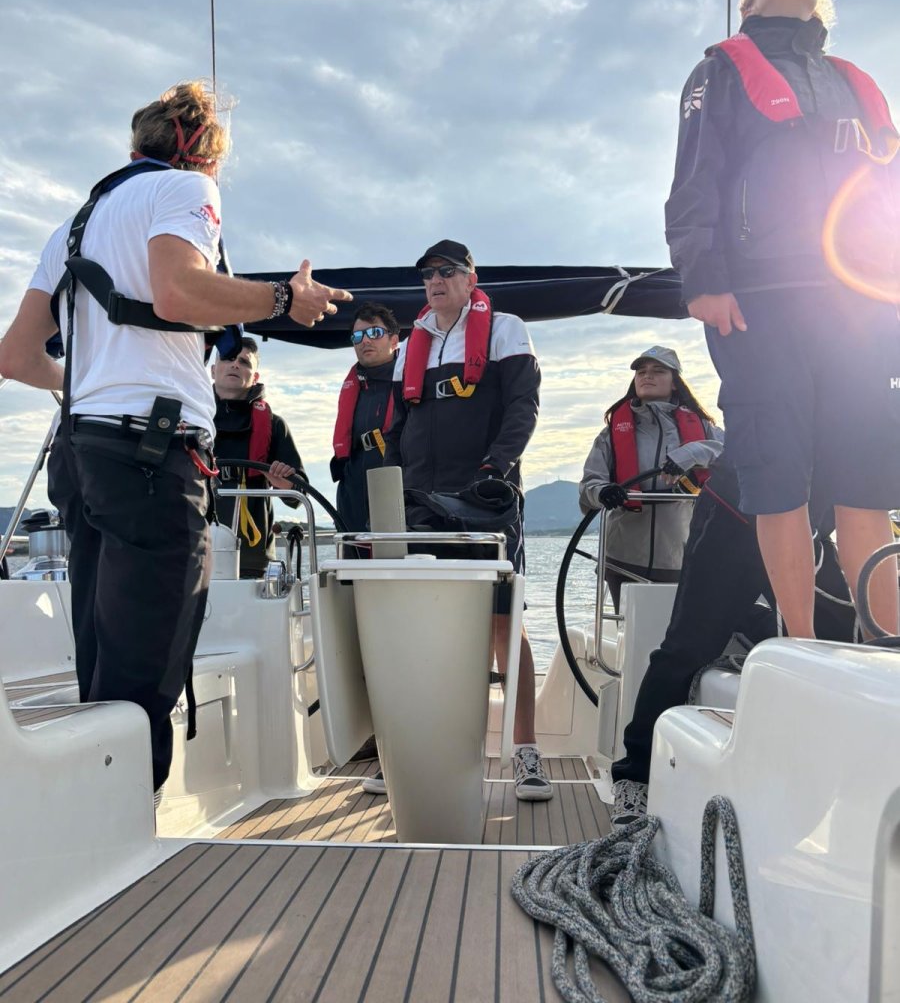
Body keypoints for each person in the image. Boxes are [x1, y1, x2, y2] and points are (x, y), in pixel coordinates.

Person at [0, 80, 351, 802]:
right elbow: (178, 292)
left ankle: (92, 826)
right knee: (146, 668)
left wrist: (89, 385)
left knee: (103, 658)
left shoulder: (73, 226)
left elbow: (17, 357)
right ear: (205, 156)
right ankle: (121, 827)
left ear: (139, 144)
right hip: (153, 458)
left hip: (83, 454)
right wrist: (285, 298)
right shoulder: (188, 191)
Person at [665, 0, 900, 640]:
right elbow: (694, 179)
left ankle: (886, 648)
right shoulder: (718, 73)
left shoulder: (853, 83)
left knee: (867, 484)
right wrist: (703, 280)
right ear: (748, 2)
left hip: (860, 310)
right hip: (760, 305)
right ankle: (802, 643)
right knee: (778, 480)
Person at [378, 238, 552, 801]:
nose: (435, 281)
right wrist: (393, 484)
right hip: (419, 502)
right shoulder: (411, 345)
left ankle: (525, 751)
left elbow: (523, 406)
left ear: (471, 279)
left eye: (447, 271)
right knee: (422, 625)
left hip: (485, 498)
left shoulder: (506, 329)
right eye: (427, 274)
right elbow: (399, 426)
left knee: (503, 621)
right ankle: (418, 748)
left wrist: (495, 468)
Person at [609, 457, 857, 822]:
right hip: (731, 518)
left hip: (808, 532)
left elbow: (863, 514)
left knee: (848, 646)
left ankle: (847, 785)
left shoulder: (876, 429)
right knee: (687, 648)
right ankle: (635, 776)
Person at [578, 346, 723, 609]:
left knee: (676, 629)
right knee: (629, 628)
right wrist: (603, 492)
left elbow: (736, 453)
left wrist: (691, 452)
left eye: (658, 371)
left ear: (675, 382)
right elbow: (589, 484)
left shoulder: (703, 428)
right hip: (622, 557)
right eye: (641, 371)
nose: (647, 375)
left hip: (682, 555)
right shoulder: (611, 433)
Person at [212, 337, 306, 578]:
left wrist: (284, 482)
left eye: (244, 362)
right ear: (213, 370)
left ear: (255, 377)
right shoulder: (190, 419)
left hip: (252, 556)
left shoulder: (274, 425)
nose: (235, 364)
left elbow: (299, 494)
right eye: (228, 358)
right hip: (191, 548)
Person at [330, 304, 400, 533]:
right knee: (352, 549)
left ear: (394, 340)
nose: (366, 341)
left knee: (393, 552)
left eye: (375, 332)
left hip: (396, 481)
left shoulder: (411, 382)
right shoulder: (354, 385)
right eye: (358, 336)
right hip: (353, 485)